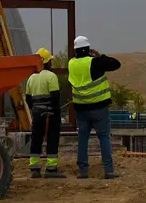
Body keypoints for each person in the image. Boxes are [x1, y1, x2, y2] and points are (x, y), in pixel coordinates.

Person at [66, 35, 120, 179]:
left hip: (81, 109)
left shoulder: (71, 64)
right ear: (88, 49)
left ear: (76, 51)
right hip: (99, 109)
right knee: (104, 137)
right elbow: (116, 64)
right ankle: (109, 170)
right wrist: (99, 55)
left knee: (83, 138)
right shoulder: (95, 62)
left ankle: (83, 171)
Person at [25, 48, 65, 179]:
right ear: (46, 62)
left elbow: (28, 99)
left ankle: (35, 169)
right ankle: (51, 169)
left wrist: (35, 110)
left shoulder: (31, 78)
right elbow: (55, 97)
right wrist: (57, 114)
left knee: (36, 139)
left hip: (36, 115)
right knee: (52, 140)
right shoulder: (51, 77)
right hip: (50, 115)